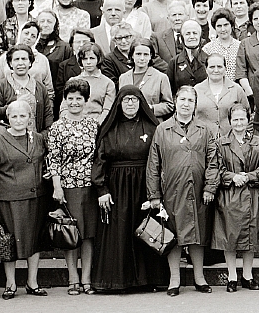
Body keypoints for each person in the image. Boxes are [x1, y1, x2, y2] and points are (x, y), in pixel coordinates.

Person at [91, 86, 169, 293]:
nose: (130, 103)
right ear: (119, 103)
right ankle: (117, 281)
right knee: (118, 233)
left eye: (135, 99)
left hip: (145, 184)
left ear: (141, 102)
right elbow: (100, 160)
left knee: (145, 229)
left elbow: (160, 160)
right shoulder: (109, 128)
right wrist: (102, 189)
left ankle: (148, 280)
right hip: (116, 187)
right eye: (126, 100)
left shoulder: (152, 128)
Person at [147, 85, 219, 295]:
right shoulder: (163, 129)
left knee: (198, 233)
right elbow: (153, 163)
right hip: (172, 190)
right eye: (183, 100)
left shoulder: (205, 130)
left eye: (190, 101)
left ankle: (199, 277)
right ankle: (174, 279)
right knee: (174, 234)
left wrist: (210, 187)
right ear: (176, 102)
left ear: (195, 105)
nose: (186, 104)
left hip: (198, 191)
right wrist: (154, 195)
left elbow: (213, 161)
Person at [0, 99, 48, 299]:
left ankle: (32, 282)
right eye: (14, 116)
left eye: (23, 116)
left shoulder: (38, 138)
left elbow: (46, 163)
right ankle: (10, 284)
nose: (18, 120)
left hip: (36, 197)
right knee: (8, 241)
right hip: (8, 199)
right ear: (7, 118)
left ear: (30, 118)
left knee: (34, 241)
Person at [46, 77, 99, 294]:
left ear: (86, 101)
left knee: (88, 234)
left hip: (90, 186)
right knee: (71, 234)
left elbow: (99, 157)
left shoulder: (94, 125)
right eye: (70, 98)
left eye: (79, 99)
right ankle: (72, 278)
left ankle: (87, 278)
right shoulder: (57, 127)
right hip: (67, 186)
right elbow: (54, 159)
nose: (75, 102)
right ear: (64, 100)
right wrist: (57, 188)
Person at [213, 103, 259, 291]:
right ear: (229, 121)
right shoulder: (220, 143)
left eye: (242, 119)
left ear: (248, 120)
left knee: (251, 236)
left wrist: (249, 176)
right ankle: (232, 276)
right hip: (230, 196)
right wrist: (233, 177)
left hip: (254, 194)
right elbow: (215, 169)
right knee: (229, 237)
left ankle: (248, 275)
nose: (239, 123)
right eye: (235, 119)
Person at [193, 52, 249, 135]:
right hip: (202, 139)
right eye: (212, 67)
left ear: (225, 68)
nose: (216, 70)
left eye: (219, 67)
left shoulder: (236, 89)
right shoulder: (197, 90)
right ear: (206, 69)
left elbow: (247, 114)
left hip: (230, 140)